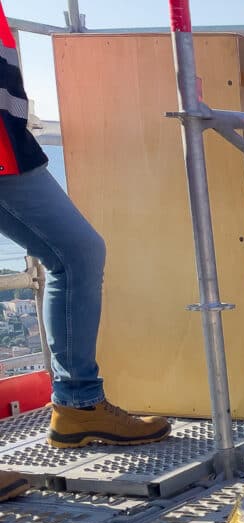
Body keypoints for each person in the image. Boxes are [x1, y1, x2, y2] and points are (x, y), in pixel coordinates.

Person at [0, 3, 170, 449]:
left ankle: (77, 405)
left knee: (79, 253)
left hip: (9, 142)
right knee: (77, 253)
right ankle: (78, 402)